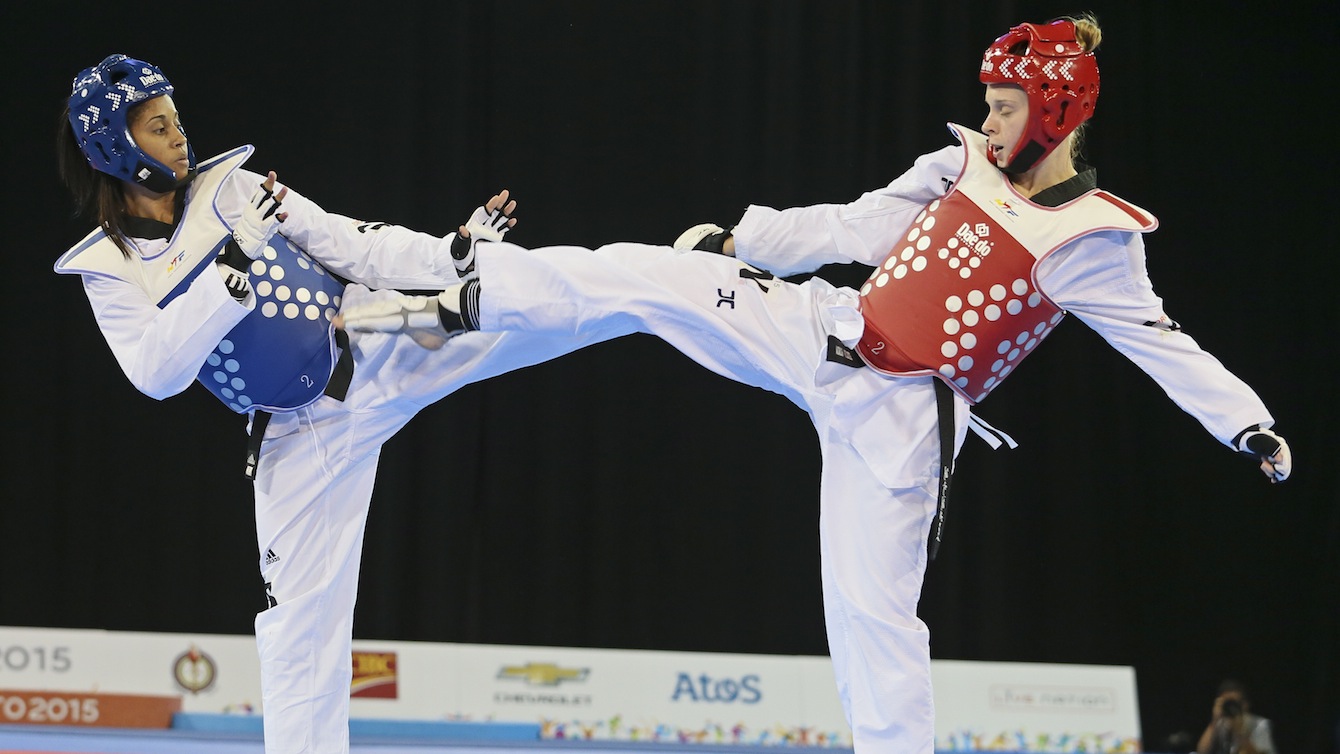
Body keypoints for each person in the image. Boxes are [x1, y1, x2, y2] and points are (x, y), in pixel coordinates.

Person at [338, 15, 1292, 754]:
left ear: (1055, 110)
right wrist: (742, 241)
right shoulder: (959, 164)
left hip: (902, 423)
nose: (991, 118)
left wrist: (1248, 425)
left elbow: (1160, 343)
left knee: (871, 620)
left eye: (1006, 105)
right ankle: (475, 290)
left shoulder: (1093, 237)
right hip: (827, 334)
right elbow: (853, 227)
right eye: (992, 104)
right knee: (652, 276)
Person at [55, 54, 611, 754]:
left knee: (545, 299)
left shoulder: (236, 187)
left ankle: (692, 279)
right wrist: (230, 266)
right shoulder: (108, 268)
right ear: (115, 147)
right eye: (158, 127)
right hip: (297, 431)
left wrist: (452, 255)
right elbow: (157, 372)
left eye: (176, 120)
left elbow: (354, 245)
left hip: (382, 338)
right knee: (298, 634)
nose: (179, 137)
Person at [1197, 679, 1277, 754]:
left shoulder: (1260, 724)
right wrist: (1214, 721)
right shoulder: (1222, 723)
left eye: (1234, 703)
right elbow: (1202, 751)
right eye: (1227, 703)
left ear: (1245, 705)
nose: (1231, 707)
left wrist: (1240, 732)